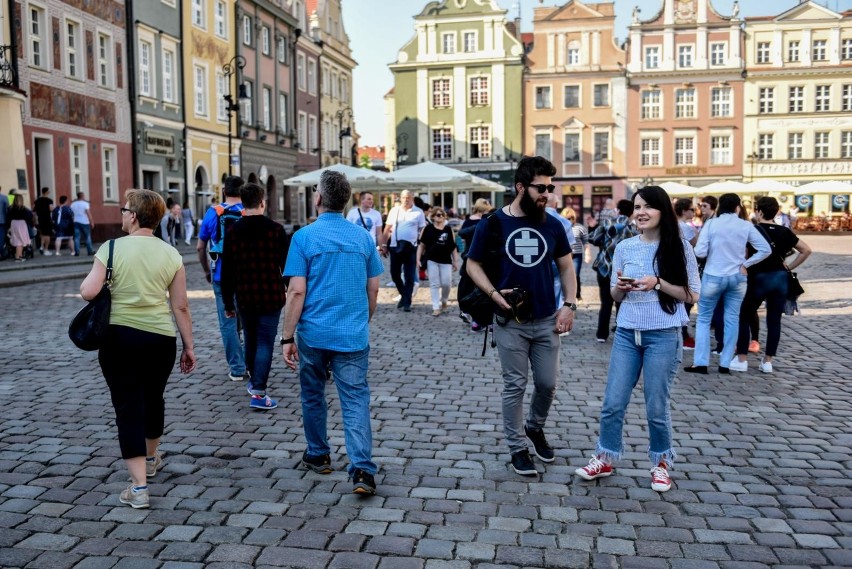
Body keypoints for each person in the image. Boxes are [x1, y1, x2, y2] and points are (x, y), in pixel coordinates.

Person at [574, 188, 701, 494]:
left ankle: (660, 464)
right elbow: (615, 296)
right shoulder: (625, 247)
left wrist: (657, 283)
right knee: (612, 403)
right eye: (637, 207)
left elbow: (693, 294)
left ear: (662, 211)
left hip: (663, 335)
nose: (640, 212)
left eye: (647, 207)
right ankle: (604, 457)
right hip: (628, 334)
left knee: (656, 406)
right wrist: (620, 288)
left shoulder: (679, 248)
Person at [79, 189, 195, 509]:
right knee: (153, 398)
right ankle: (151, 456)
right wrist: (189, 347)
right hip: (161, 340)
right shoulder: (171, 254)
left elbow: (89, 291)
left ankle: (139, 487)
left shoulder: (111, 248)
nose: (121, 214)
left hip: (120, 339)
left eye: (124, 209)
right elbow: (181, 306)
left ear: (133, 215)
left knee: (128, 407)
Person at [465, 155, 576, 477]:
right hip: (509, 321)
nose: (547, 193)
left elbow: (567, 266)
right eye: (541, 187)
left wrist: (569, 304)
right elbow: (473, 264)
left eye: (550, 187)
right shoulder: (494, 223)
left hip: (546, 320)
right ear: (520, 187)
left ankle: (535, 426)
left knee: (547, 383)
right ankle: (517, 448)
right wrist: (493, 294)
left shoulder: (552, 224)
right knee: (515, 384)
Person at [281, 170, 383, 495]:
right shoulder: (362, 237)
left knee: (313, 394)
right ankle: (363, 471)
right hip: (352, 334)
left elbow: (296, 292)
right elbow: (374, 289)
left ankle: (318, 454)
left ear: (319, 199)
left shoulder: (304, 238)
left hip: (313, 334)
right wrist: (361, 321)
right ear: (347, 201)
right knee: (354, 399)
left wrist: (287, 336)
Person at [220, 183, 289, 409]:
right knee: (265, 342)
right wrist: (288, 286)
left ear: (243, 202)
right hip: (271, 295)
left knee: (250, 338)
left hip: (245, 296)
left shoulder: (232, 232)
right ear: (262, 202)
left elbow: (227, 271)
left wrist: (228, 302)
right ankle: (259, 391)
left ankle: (254, 381)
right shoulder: (276, 230)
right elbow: (286, 266)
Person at [685, 193, 771, 375]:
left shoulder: (712, 224)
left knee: (704, 318)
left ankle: (701, 363)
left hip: (713, 275)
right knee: (732, 319)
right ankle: (725, 363)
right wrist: (746, 264)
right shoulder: (745, 225)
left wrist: (712, 252)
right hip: (737, 276)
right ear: (737, 208)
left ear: (719, 207)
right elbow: (765, 249)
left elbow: (700, 251)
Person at [729, 197, 811, 374]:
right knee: (774, 320)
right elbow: (806, 250)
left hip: (758, 278)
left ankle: (742, 358)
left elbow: (742, 254)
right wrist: (790, 266)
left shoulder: (753, 230)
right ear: (776, 212)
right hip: (780, 279)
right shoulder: (784, 231)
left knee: (745, 315)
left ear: (758, 211)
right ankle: (767, 362)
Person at [197, 176, 247, 382]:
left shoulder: (213, 213)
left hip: (220, 274)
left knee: (227, 322)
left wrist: (207, 271)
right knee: (247, 321)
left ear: (224, 191)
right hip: (246, 276)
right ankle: (251, 364)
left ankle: (237, 368)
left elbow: (200, 247)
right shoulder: (249, 211)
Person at [590, 200, 638, 342]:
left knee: (605, 302)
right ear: (631, 212)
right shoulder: (632, 228)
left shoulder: (606, 223)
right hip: (623, 270)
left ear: (617, 210)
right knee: (621, 302)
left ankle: (601, 335)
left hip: (605, 268)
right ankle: (621, 331)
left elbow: (592, 238)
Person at [380, 189, 426, 312]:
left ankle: (407, 302)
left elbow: (423, 229)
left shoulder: (418, 212)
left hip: (411, 247)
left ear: (412, 198)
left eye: (408, 197)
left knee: (409, 275)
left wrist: (421, 243)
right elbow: (387, 228)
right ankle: (405, 295)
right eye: (404, 197)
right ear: (400, 198)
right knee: (394, 273)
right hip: (395, 246)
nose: (406, 200)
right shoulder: (394, 210)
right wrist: (384, 244)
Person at [458, 198, 494, 331]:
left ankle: (487, 320)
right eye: (484, 211)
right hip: (471, 258)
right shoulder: (471, 221)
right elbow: (461, 233)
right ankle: (475, 318)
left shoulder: (489, 221)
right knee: (471, 290)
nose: (485, 213)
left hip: (487, 259)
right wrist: (479, 225)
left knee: (485, 289)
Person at [416, 208, 459, 316]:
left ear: (445, 217)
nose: (439, 217)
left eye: (441, 215)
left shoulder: (449, 229)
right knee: (434, 284)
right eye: (437, 215)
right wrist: (417, 259)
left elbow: (453, 247)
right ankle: (435, 307)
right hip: (432, 260)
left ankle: (444, 300)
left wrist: (455, 261)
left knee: (446, 283)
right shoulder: (428, 229)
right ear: (433, 217)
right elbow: (421, 245)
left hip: (446, 260)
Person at [545, 193, 576, 306]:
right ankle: (556, 308)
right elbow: (570, 248)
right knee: (557, 286)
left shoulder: (534, 219)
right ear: (556, 204)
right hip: (558, 261)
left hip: (541, 261)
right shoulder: (565, 222)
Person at [675, 198, 698, 350]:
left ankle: (680, 333)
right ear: (684, 211)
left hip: (674, 269)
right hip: (685, 269)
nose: (694, 212)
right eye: (692, 210)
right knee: (687, 303)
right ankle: (683, 334)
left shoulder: (670, 225)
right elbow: (698, 248)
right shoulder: (688, 228)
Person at [561, 207, 590, 303]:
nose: (568, 220)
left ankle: (577, 295)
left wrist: (587, 254)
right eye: (566, 218)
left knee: (575, 275)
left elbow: (586, 242)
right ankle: (565, 296)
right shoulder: (560, 227)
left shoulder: (580, 228)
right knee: (563, 276)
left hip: (576, 255)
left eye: (570, 218)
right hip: (563, 255)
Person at [8, 194, 34, 262]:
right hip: (21, 224)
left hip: (13, 224)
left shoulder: (11, 208)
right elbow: (29, 217)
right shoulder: (23, 208)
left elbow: (9, 217)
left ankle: (20, 256)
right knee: (21, 241)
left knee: (18, 240)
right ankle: (18, 257)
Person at [33, 188, 54, 255]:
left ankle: (41, 246)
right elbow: (50, 209)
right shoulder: (49, 200)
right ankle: (46, 249)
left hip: (40, 219)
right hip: (47, 218)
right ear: (47, 192)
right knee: (47, 234)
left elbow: (33, 210)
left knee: (42, 234)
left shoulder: (37, 201)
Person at [0, 187, 8, 259]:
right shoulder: (4, 197)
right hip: (2, 221)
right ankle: (2, 253)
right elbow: (7, 209)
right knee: (1, 238)